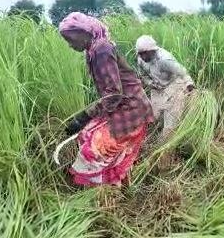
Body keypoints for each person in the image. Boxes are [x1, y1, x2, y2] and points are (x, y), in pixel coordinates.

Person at [58, 12, 154, 187]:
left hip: (130, 109)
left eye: (71, 39)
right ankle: (117, 189)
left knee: (94, 151)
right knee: (86, 135)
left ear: (84, 33)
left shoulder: (101, 49)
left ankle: (102, 193)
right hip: (123, 107)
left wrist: (84, 116)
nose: (70, 45)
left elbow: (113, 94)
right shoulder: (93, 50)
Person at [135, 35, 195, 140]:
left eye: (145, 53)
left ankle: (164, 146)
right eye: (140, 54)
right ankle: (151, 134)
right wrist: (150, 83)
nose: (142, 57)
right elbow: (143, 75)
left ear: (152, 51)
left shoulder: (165, 60)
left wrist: (189, 84)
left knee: (170, 122)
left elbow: (182, 72)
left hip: (174, 86)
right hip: (157, 87)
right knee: (153, 116)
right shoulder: (141, 59)